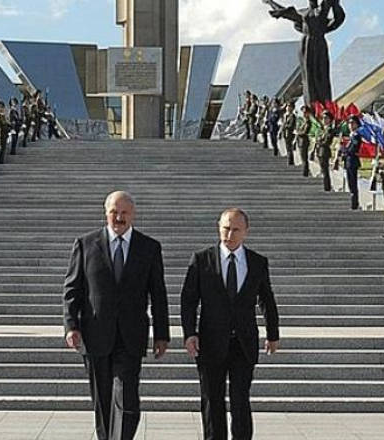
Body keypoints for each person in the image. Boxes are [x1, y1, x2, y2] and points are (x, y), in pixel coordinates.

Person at [63, 191, 170, 440]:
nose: (119, 218)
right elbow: (72, 289)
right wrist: (71, 325)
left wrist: (161, 334)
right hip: (95, 334)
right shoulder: (85, 244)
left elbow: (158, 293)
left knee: (127, 395)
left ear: (133, 214)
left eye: (124, 213)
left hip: (131, 336)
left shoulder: (149, 247)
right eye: (114, 212)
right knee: (102, 399)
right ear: (106, 212)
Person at [180, 208, 280, 440]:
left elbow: (266, 299)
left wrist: (272, 333)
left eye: (236, 229)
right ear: (219, 227)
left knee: (240, 399)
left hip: (243, 343)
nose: (230, 234)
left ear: (246, 231)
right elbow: (188, 300)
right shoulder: (202, 260)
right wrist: (189, 333)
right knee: (212, 398)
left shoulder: (257, 262)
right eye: (226, 228)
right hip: (210, 342)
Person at [336, 115, 362, 210]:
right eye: (349, 123)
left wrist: (343, 149)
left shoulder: (356, 136)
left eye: (353, 123)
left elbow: (353, 149)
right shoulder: (351, 135)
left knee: (353, 183)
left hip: (352, 161)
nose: (350, 125)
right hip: (348, 161)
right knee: (350, 183)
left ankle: (354, 204)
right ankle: (353, 203)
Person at [314, 111, 336, 192]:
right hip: (319, 151)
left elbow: (327, 141)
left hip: (324, 151)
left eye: (326, 118)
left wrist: (319, 141)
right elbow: (318, 138)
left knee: (325, 171)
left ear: (330, 119)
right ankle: (326, 186)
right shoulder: (322, 129)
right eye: (323, 118)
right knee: (323, 170)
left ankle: (327, 187)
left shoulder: (329, 129)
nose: (324, 120)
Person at [295, 106, 312, 176]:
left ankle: (305, 172)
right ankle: (305, 170)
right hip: (300, 140)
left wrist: (297, 132)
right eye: (303, 112)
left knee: (304, 157)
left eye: (305, 112)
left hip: (304, 141)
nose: (304, 114)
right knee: (302, 157)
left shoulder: (308, 122)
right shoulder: (303, 121)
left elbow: (305, 132)